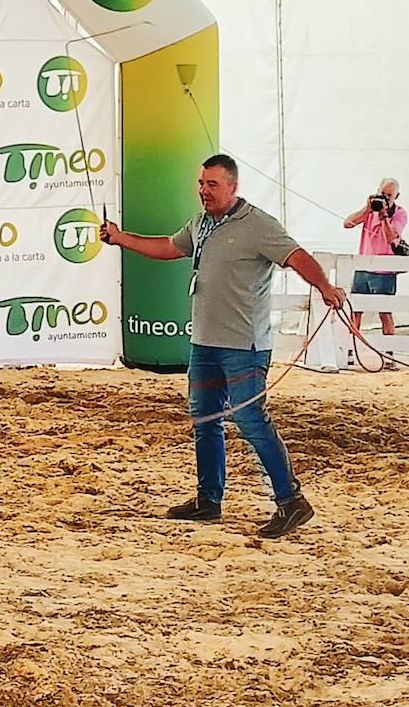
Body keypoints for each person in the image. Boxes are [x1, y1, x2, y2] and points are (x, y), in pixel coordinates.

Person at [99, 154, 346, 538]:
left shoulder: (260, 225)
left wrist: (325, 288)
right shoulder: (201, 225)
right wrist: (119, 238)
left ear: (233, 186)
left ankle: (291, 500)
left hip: (243, 345)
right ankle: (208, 500)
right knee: (205, 421)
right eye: (201, 184)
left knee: (250, 420)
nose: (203, 191)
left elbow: (297, 257)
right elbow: (167, 247)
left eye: (212, 184)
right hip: (205, 343)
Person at [342, 178, 408, 338]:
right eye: (382, 194)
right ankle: (350, 350)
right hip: (363, 267)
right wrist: (367, 209)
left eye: (388, 195)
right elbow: (347, 223)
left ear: (396, 196)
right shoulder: (370, 212)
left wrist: (384, 216)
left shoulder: (399, 214)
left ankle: (389, 352)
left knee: (385, 312)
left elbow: (391, 238)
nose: (384, 198)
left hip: (385, 270)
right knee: (355, 311)